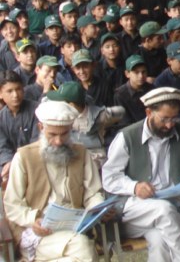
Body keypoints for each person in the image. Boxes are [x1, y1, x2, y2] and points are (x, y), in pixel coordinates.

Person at [102, 87, 180, 262]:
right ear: (148, 112)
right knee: (164, 210)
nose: (170, 125)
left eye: (174, 118)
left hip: (174, 208)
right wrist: (134, 186)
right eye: (164, 119)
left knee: (159, 239)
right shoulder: (127, 136)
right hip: (132, 210)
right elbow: (109, 178)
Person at [4, 100, 106, 262]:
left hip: (74, 227)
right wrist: (33, 220)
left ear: (70, 130)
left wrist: (97, 208)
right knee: (82, 246)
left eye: (64, 134)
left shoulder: (81, 153)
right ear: (40, 128)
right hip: (38, 233)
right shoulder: (24, 157)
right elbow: (12, 205)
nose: (58, 141)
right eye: (52, 135)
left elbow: (93, 193)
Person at [0, 70, 40, 183]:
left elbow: (36, 142)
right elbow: (3, 147)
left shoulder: (37, 110)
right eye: (9, 91)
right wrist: (8, 163)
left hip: (34, 161)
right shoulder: (1, 118)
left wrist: (19, 163)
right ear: (0, 94)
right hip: (9, 164)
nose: (15, 95)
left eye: (18, 89)